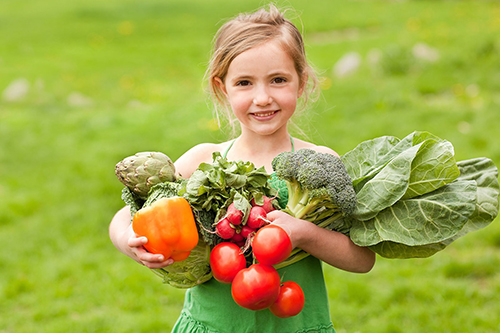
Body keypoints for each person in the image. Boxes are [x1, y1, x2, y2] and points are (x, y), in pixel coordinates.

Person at [109, 5, 375, 332]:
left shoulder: (319, 163)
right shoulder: (203, 161)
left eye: (278, 80)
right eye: (245, 83)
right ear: (223, 88)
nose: (262, 98)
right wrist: (127, 239)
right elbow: (126, 214)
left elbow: (362, 259)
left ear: (301, 82)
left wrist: (304, 233)